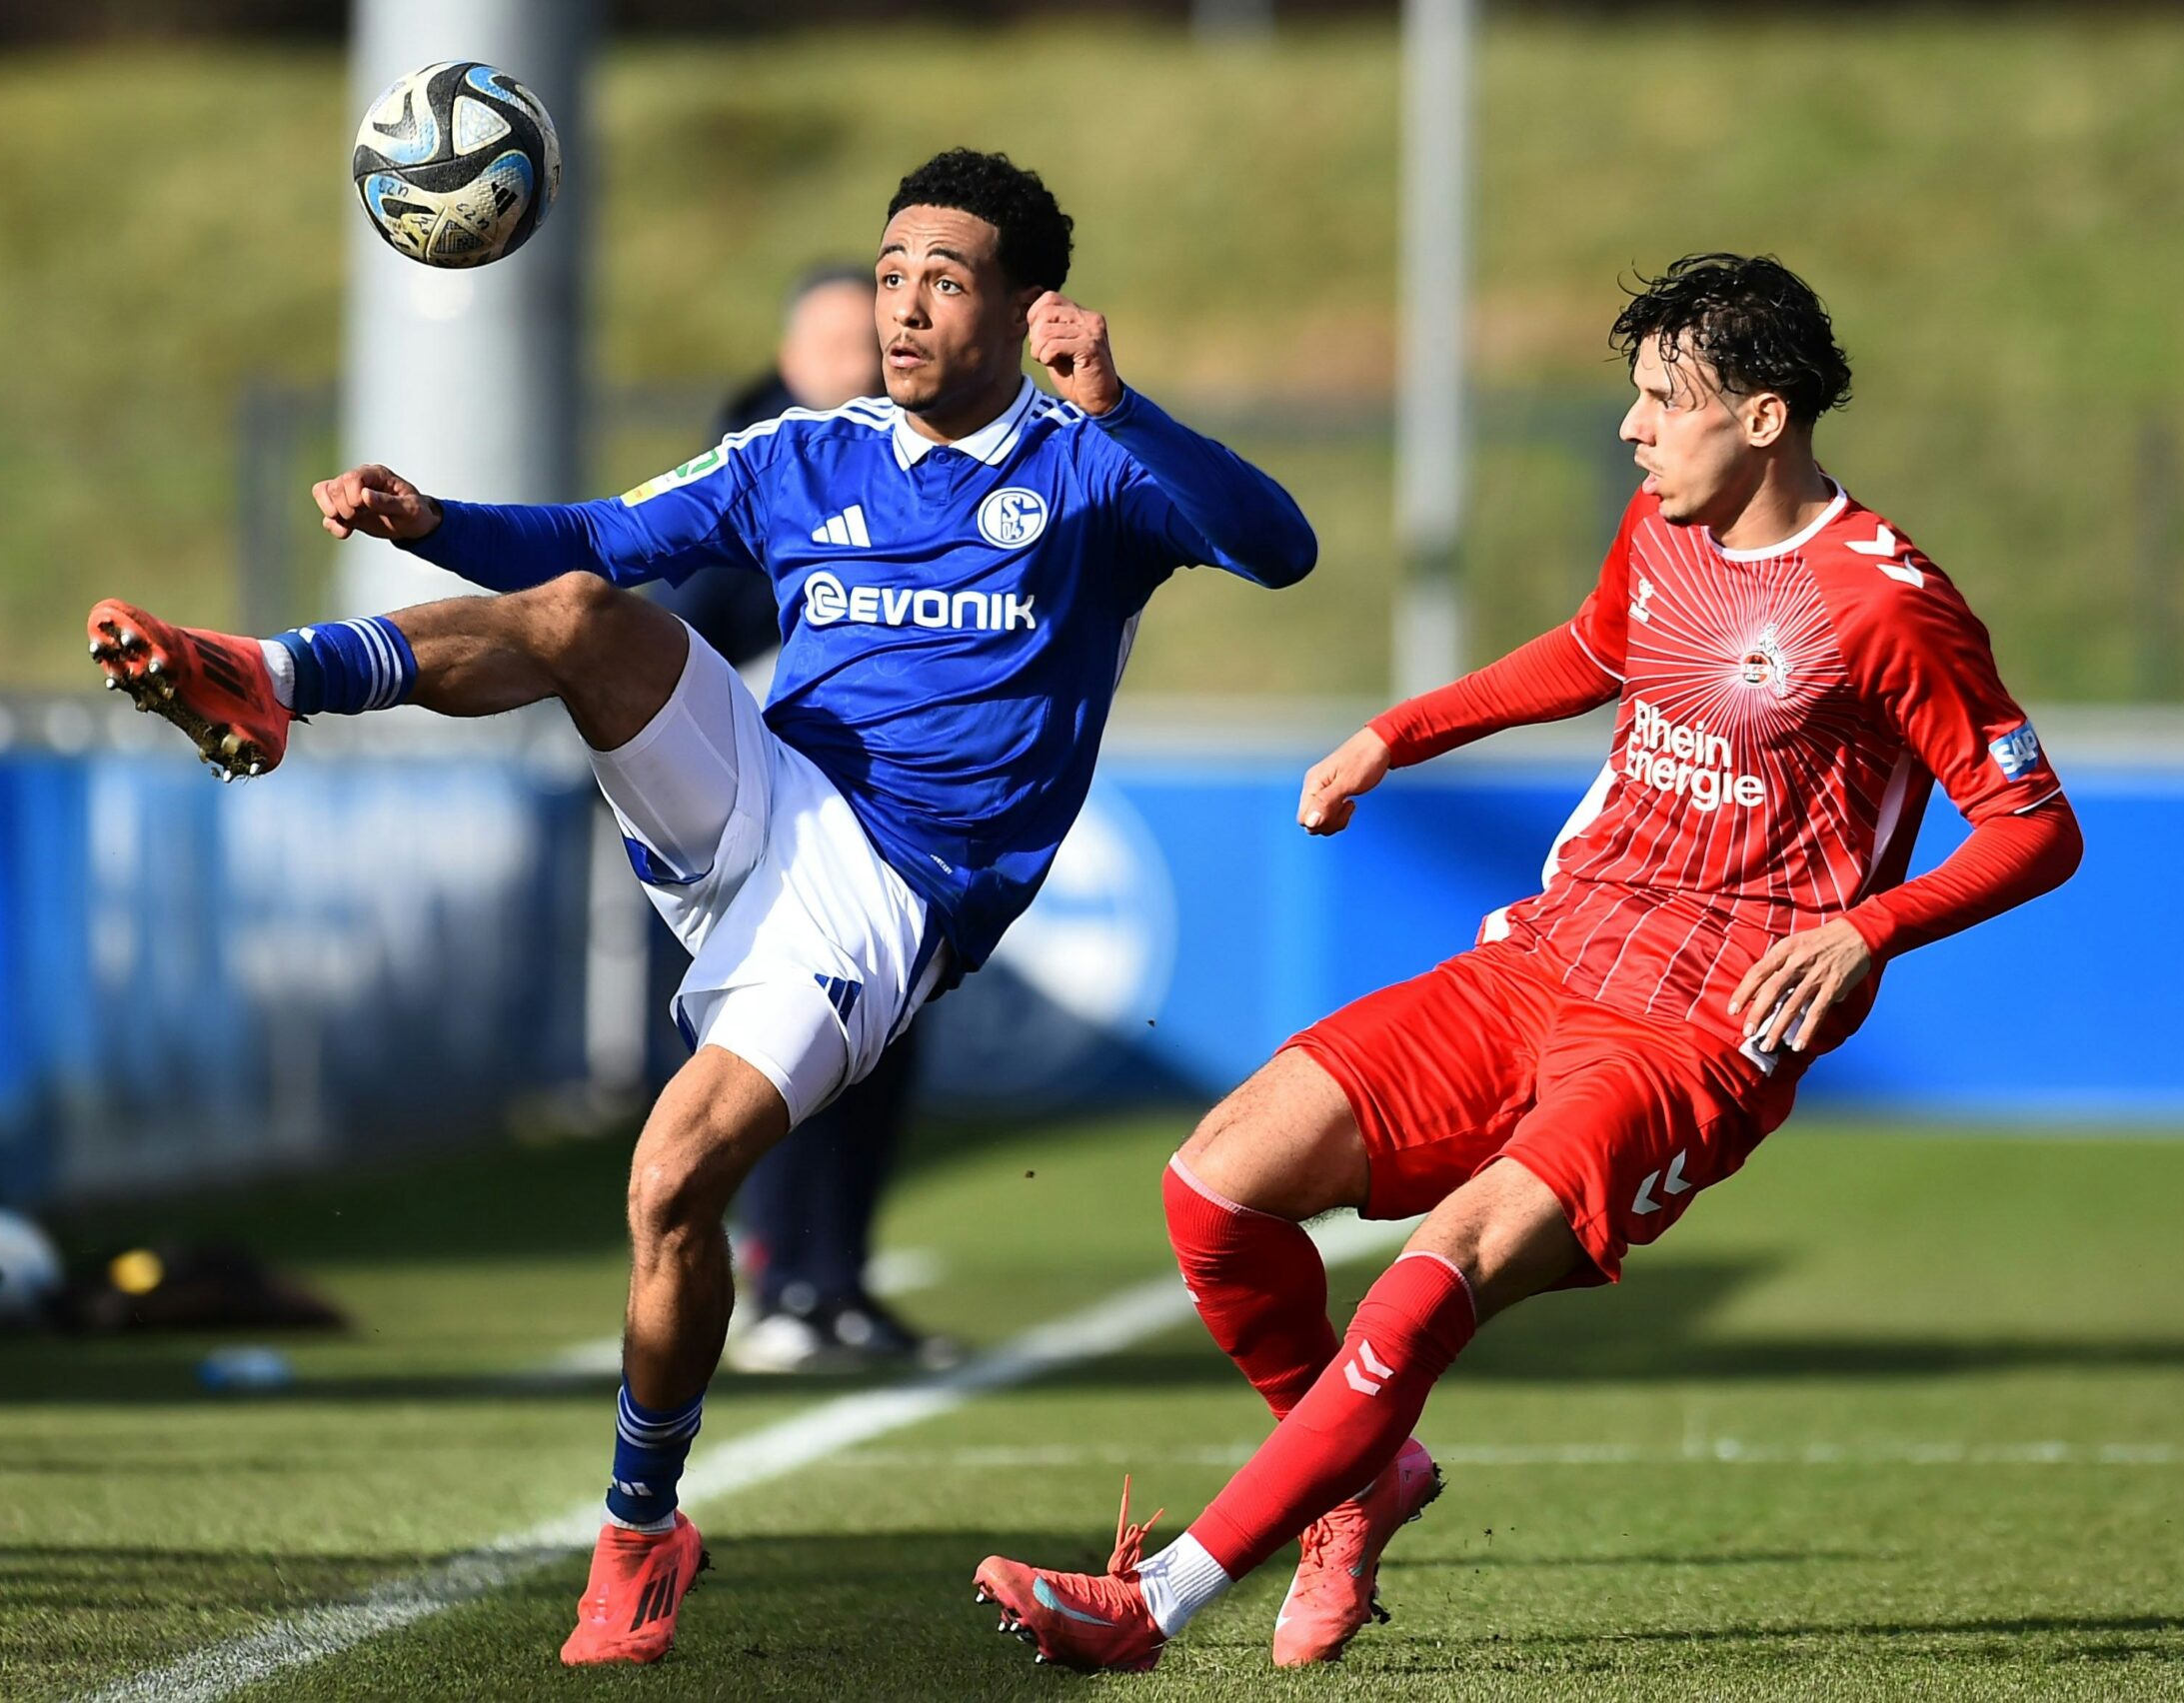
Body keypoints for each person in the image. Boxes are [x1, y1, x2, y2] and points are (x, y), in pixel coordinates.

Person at [82, 147, 1316, 1668]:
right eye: (889, 274)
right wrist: (430, 517)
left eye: (944, 278)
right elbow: (594, 538)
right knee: (593, 620)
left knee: (671, 1183)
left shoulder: (1096, 472)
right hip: (763, 796)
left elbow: (1281, 546)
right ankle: (271, 680)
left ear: (1025, 305)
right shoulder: (808, 453)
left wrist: (1121, 403)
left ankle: (639, 1526)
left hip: (893, 899)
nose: (906, 306)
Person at [971, 254, 2084, 1674]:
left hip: (1700, 1027)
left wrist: (1865, 928)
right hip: (1550, 951)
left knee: (1436, 1273)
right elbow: (1588, 653)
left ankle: (1162, 1601)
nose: (1630, 428)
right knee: (1216, 1186)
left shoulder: (1886, 601)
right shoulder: (1665, 527)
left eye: (1660, 402)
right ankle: (1356, 1475)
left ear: (1761, 416)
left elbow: (2036, 828)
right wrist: (1398, 732)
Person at [654, 261, 951, 1373]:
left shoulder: (933, 469)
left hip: (883, 825)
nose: (859, 362)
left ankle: (839, 1282)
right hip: (748, 822)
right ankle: (773, 1278)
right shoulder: (747, 473)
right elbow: (672, 637)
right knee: (762, 1057)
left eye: (868, 342)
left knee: (881, 1054)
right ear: (786, 360)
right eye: (835, 343)